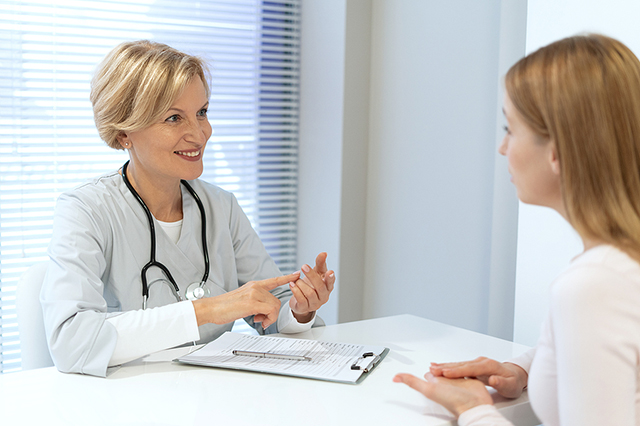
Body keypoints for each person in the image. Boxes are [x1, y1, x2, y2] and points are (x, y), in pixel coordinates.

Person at [40, 40, 335, 377]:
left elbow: (274, 310)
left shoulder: (221, 207)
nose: (198, 133)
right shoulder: (86, 211)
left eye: (202, 112)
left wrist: (299, 309)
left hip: (211, 396)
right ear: (125, 132)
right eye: (174, 118)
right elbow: (71, 342)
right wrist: (207, 310)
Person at [394, 34, 640, 425]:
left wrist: (472, 411)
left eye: (510, 129)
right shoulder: (619, 264)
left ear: (557, 151)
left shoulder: (594, 285)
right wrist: (526, 368)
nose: (503, 148)